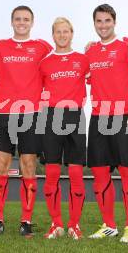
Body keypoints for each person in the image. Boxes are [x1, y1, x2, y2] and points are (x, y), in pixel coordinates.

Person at [0, 6, 52, 237]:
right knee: (1, 165)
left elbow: (54, 70)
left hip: (32, 114)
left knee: (28, 166)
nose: (22, 22)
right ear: (11, 21)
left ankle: (26, 220)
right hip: (5, 113)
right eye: (18, 19)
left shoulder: (43, 47)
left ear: (32, 22)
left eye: (26, 19)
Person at [85, 4, 128, 243]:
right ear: (94, 23)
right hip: (99, 117)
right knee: (100, 173)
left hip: (125, 116)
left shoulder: (127, 45)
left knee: (127, 170)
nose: (103, 25)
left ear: (114, 22)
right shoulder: (90, 52)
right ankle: (109, 225)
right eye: (99, 21)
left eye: (107, 21)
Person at [40, 17, 89, 240]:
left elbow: (99, 77)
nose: (62, 35)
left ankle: (74, 225)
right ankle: (56, 223)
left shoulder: (83, 59)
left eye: (66, 31)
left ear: (72, 33)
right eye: (58, 32)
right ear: (53, 35)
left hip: (75, 116)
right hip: (51, 117)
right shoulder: (45, 62)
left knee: (76, 172)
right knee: (52, 172)